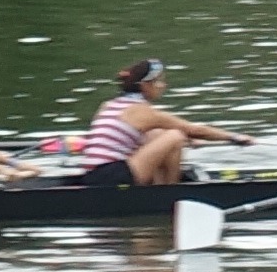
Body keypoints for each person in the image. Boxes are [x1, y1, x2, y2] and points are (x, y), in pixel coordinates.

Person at [78, 58, 254, 187]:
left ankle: (159, 185)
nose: (163, 85)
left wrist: (189, 140)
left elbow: (130, 137)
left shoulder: (108, 105)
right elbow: (192, 129)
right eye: (159, 81)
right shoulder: (142, 111)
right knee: (175, 136)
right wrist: (234, 137)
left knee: (158, 134)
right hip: (114, 176)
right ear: (145, 85)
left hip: (92, 176)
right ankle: (168, 192)